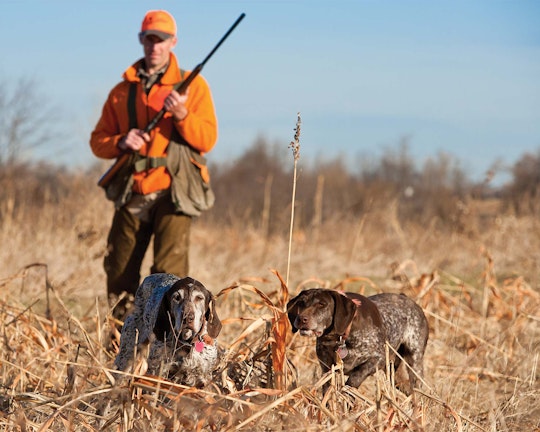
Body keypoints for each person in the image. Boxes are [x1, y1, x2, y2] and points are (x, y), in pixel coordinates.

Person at [90, 10, 218, 318]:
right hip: (133, 189)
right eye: (149, 39)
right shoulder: (121, 92)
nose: (154, 46)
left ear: (173, 42)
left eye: (161, 39)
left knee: (168, 278)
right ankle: (120, 345)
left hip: (174, 190)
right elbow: (98, 141)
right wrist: (121, 141)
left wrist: (183, 115)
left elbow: (207, 140)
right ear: (141, 41)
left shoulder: (193, 86)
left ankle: (165, 346)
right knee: (119, 272)